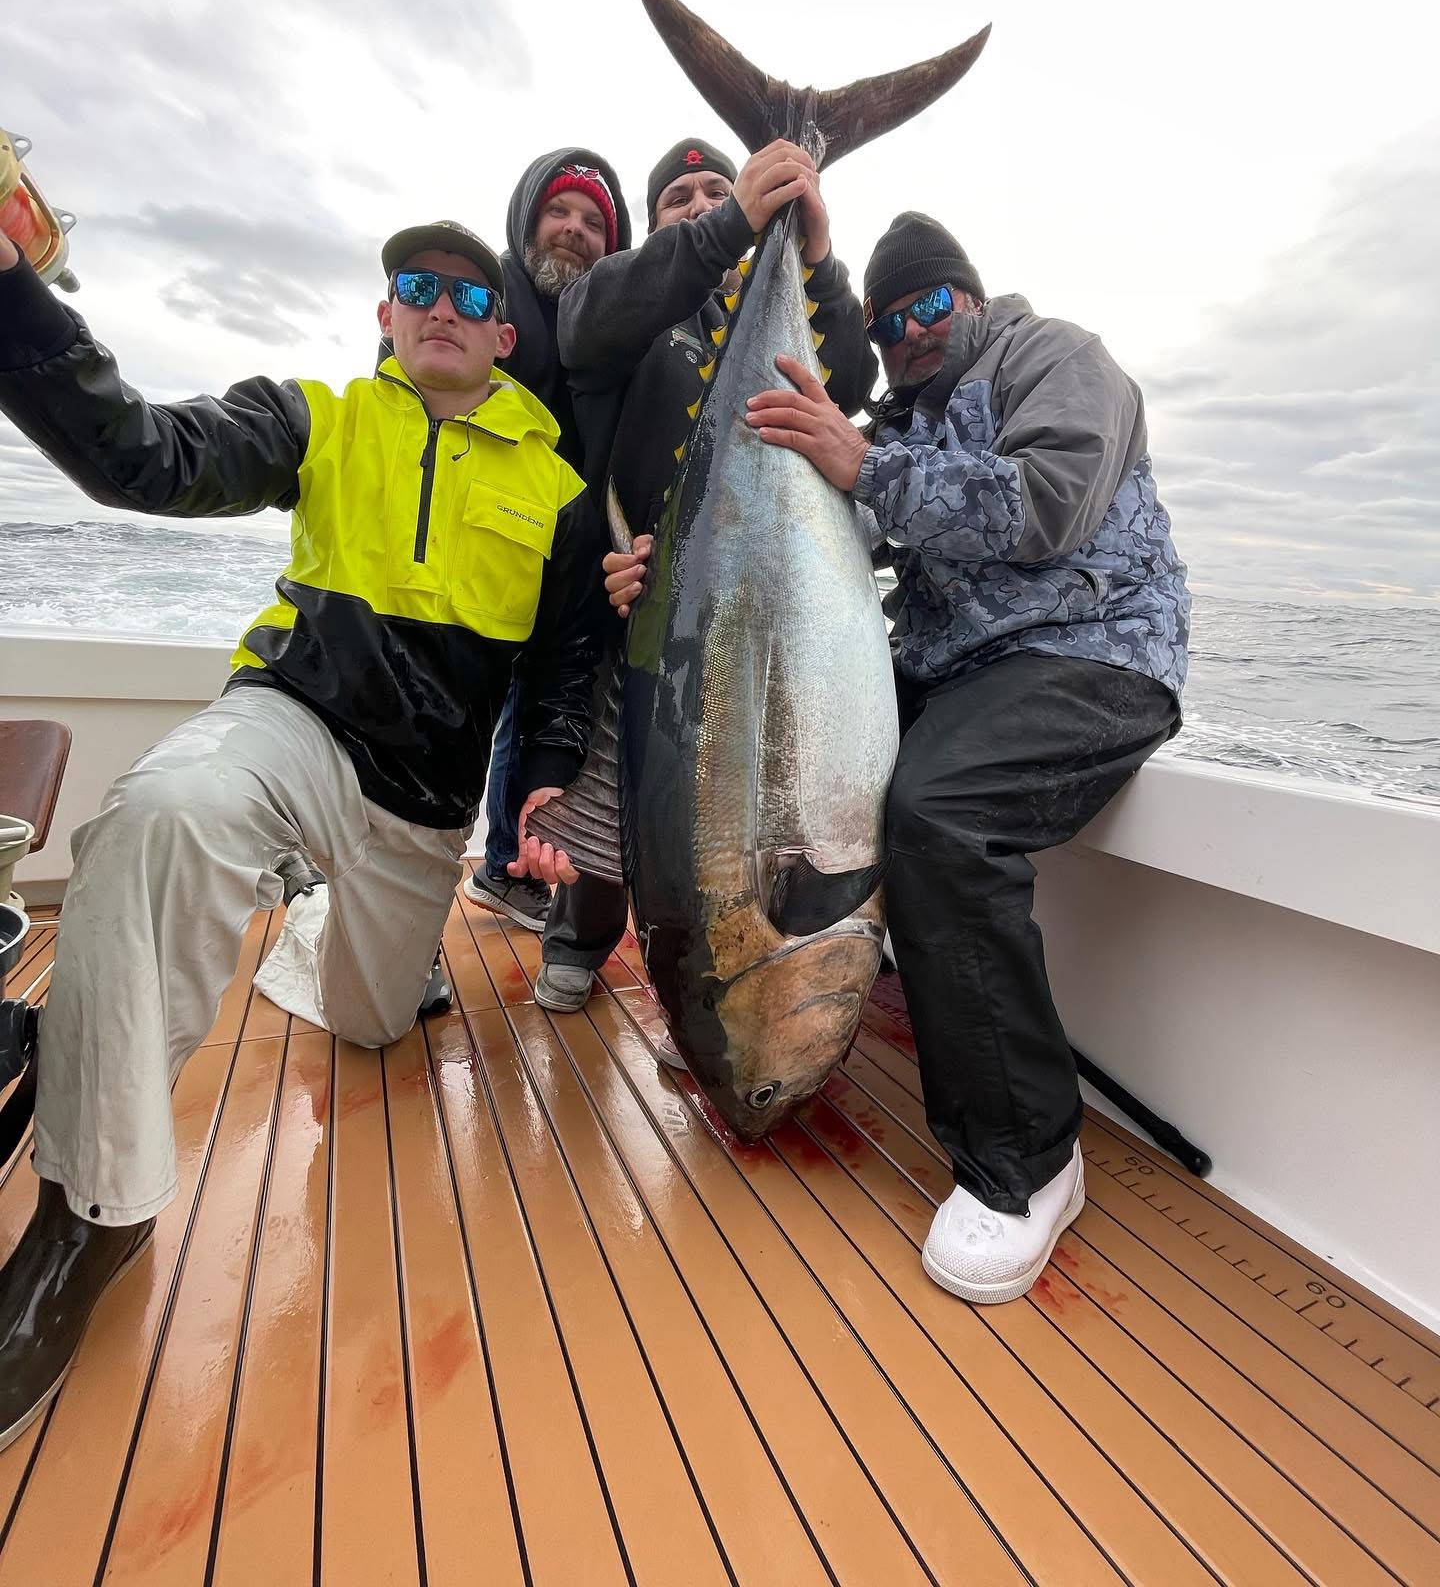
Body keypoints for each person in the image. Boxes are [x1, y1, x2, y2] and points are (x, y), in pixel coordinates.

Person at [0, 217, 604, 1449]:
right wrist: (15, 294)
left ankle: (327, 921)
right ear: (386, 317)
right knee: (158, 819)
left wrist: (541, 782)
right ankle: (94, 1214)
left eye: (466, 292)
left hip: (424, 807)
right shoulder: (317, 417)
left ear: (501, 331)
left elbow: (561, 674)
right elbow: (141, 458)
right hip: (297, 728)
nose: (439, 304)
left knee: (376, 1019)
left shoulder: (561, 495)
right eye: (413, 288)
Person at [733, 209, 1189, 1304]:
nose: (910, 334)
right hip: (957, 672)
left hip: (1093, 658)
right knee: (778, 760)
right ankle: (784, 996)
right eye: (890, 324)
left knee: (939, 815)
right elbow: (828, 540)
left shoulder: (1056, 358)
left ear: (973, 299)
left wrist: (864, 464)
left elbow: (1046, 505)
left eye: (931, 306)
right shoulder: (899, 423)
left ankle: (1026, 1160)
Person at [519, 135, 878, 1014]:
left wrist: (817, 256)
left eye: (715, 186)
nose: (698, 202)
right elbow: (587, 318)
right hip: (630, 599)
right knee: (633, 773)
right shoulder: (633, 314)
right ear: (655, 226)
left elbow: (855, 376)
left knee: (707, 781)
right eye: (678, 197)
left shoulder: (780, 307)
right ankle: (580, 930)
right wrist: (730, 220)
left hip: (755, 591)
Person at [464, 149, 630, 932]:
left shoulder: (604, 318)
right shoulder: (489, 297)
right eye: (558, 213)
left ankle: (503, 863)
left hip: (559, 559)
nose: (573, 230)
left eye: (594, 221)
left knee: (526, 704)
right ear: (527, 220)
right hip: (477, 560)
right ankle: (499, 869)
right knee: (484, 715)